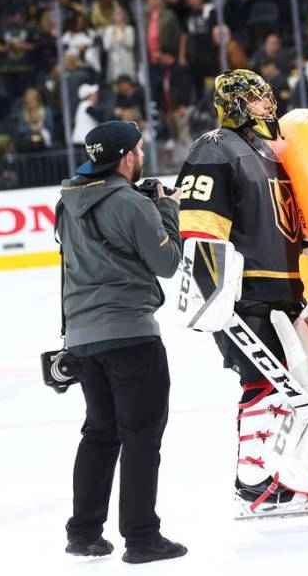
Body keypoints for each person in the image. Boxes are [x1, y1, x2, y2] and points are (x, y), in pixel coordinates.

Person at [175, 69, 308, 518]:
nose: (267, 106)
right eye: (256, 100)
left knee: (292, 388)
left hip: (284, 293)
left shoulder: (270, 154)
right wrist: (214, 301)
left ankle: (282, 472)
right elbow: (199, 229)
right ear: (234, 104)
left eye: (266, 98)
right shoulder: (216, 148)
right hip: (246, 295)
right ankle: (252, 483)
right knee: (262, 385)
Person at [57, 120, 187, 564]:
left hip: (83, 336)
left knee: (100, 432)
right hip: (130, 332)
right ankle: (142, 537)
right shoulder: (131, 203)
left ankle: (84, 531)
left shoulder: (66, 201)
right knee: (141, 436)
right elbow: (167, 262)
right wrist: (168, 210)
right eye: (139, 149)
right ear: (128, 157)